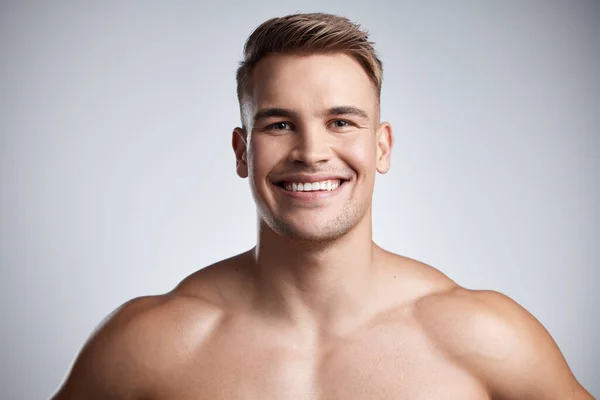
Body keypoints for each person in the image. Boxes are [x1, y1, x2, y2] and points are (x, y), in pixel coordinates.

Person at [52, 12, 593, 399]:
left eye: (341, 122)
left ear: (381, 147)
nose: (311, 153)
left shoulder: (484, 338)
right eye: (280, 124)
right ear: (243, 151)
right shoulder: (150, 343)